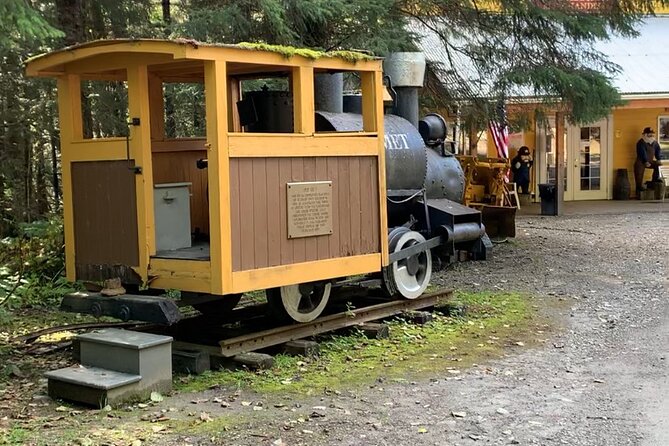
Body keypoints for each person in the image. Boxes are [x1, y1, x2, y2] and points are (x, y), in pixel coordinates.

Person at [634, 127, 662, 198]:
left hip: (650, 160)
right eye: (650, 134)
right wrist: (645, 161)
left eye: (652, 134)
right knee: (639, 173)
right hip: (641, 161)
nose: (651, 136)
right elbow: (642, 153)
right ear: (645, 134)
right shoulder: (641, 142)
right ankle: (639, 188)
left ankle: (655, 179)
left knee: (657, 165)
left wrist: (658, 158)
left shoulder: (654, 143)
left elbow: (658, 150)